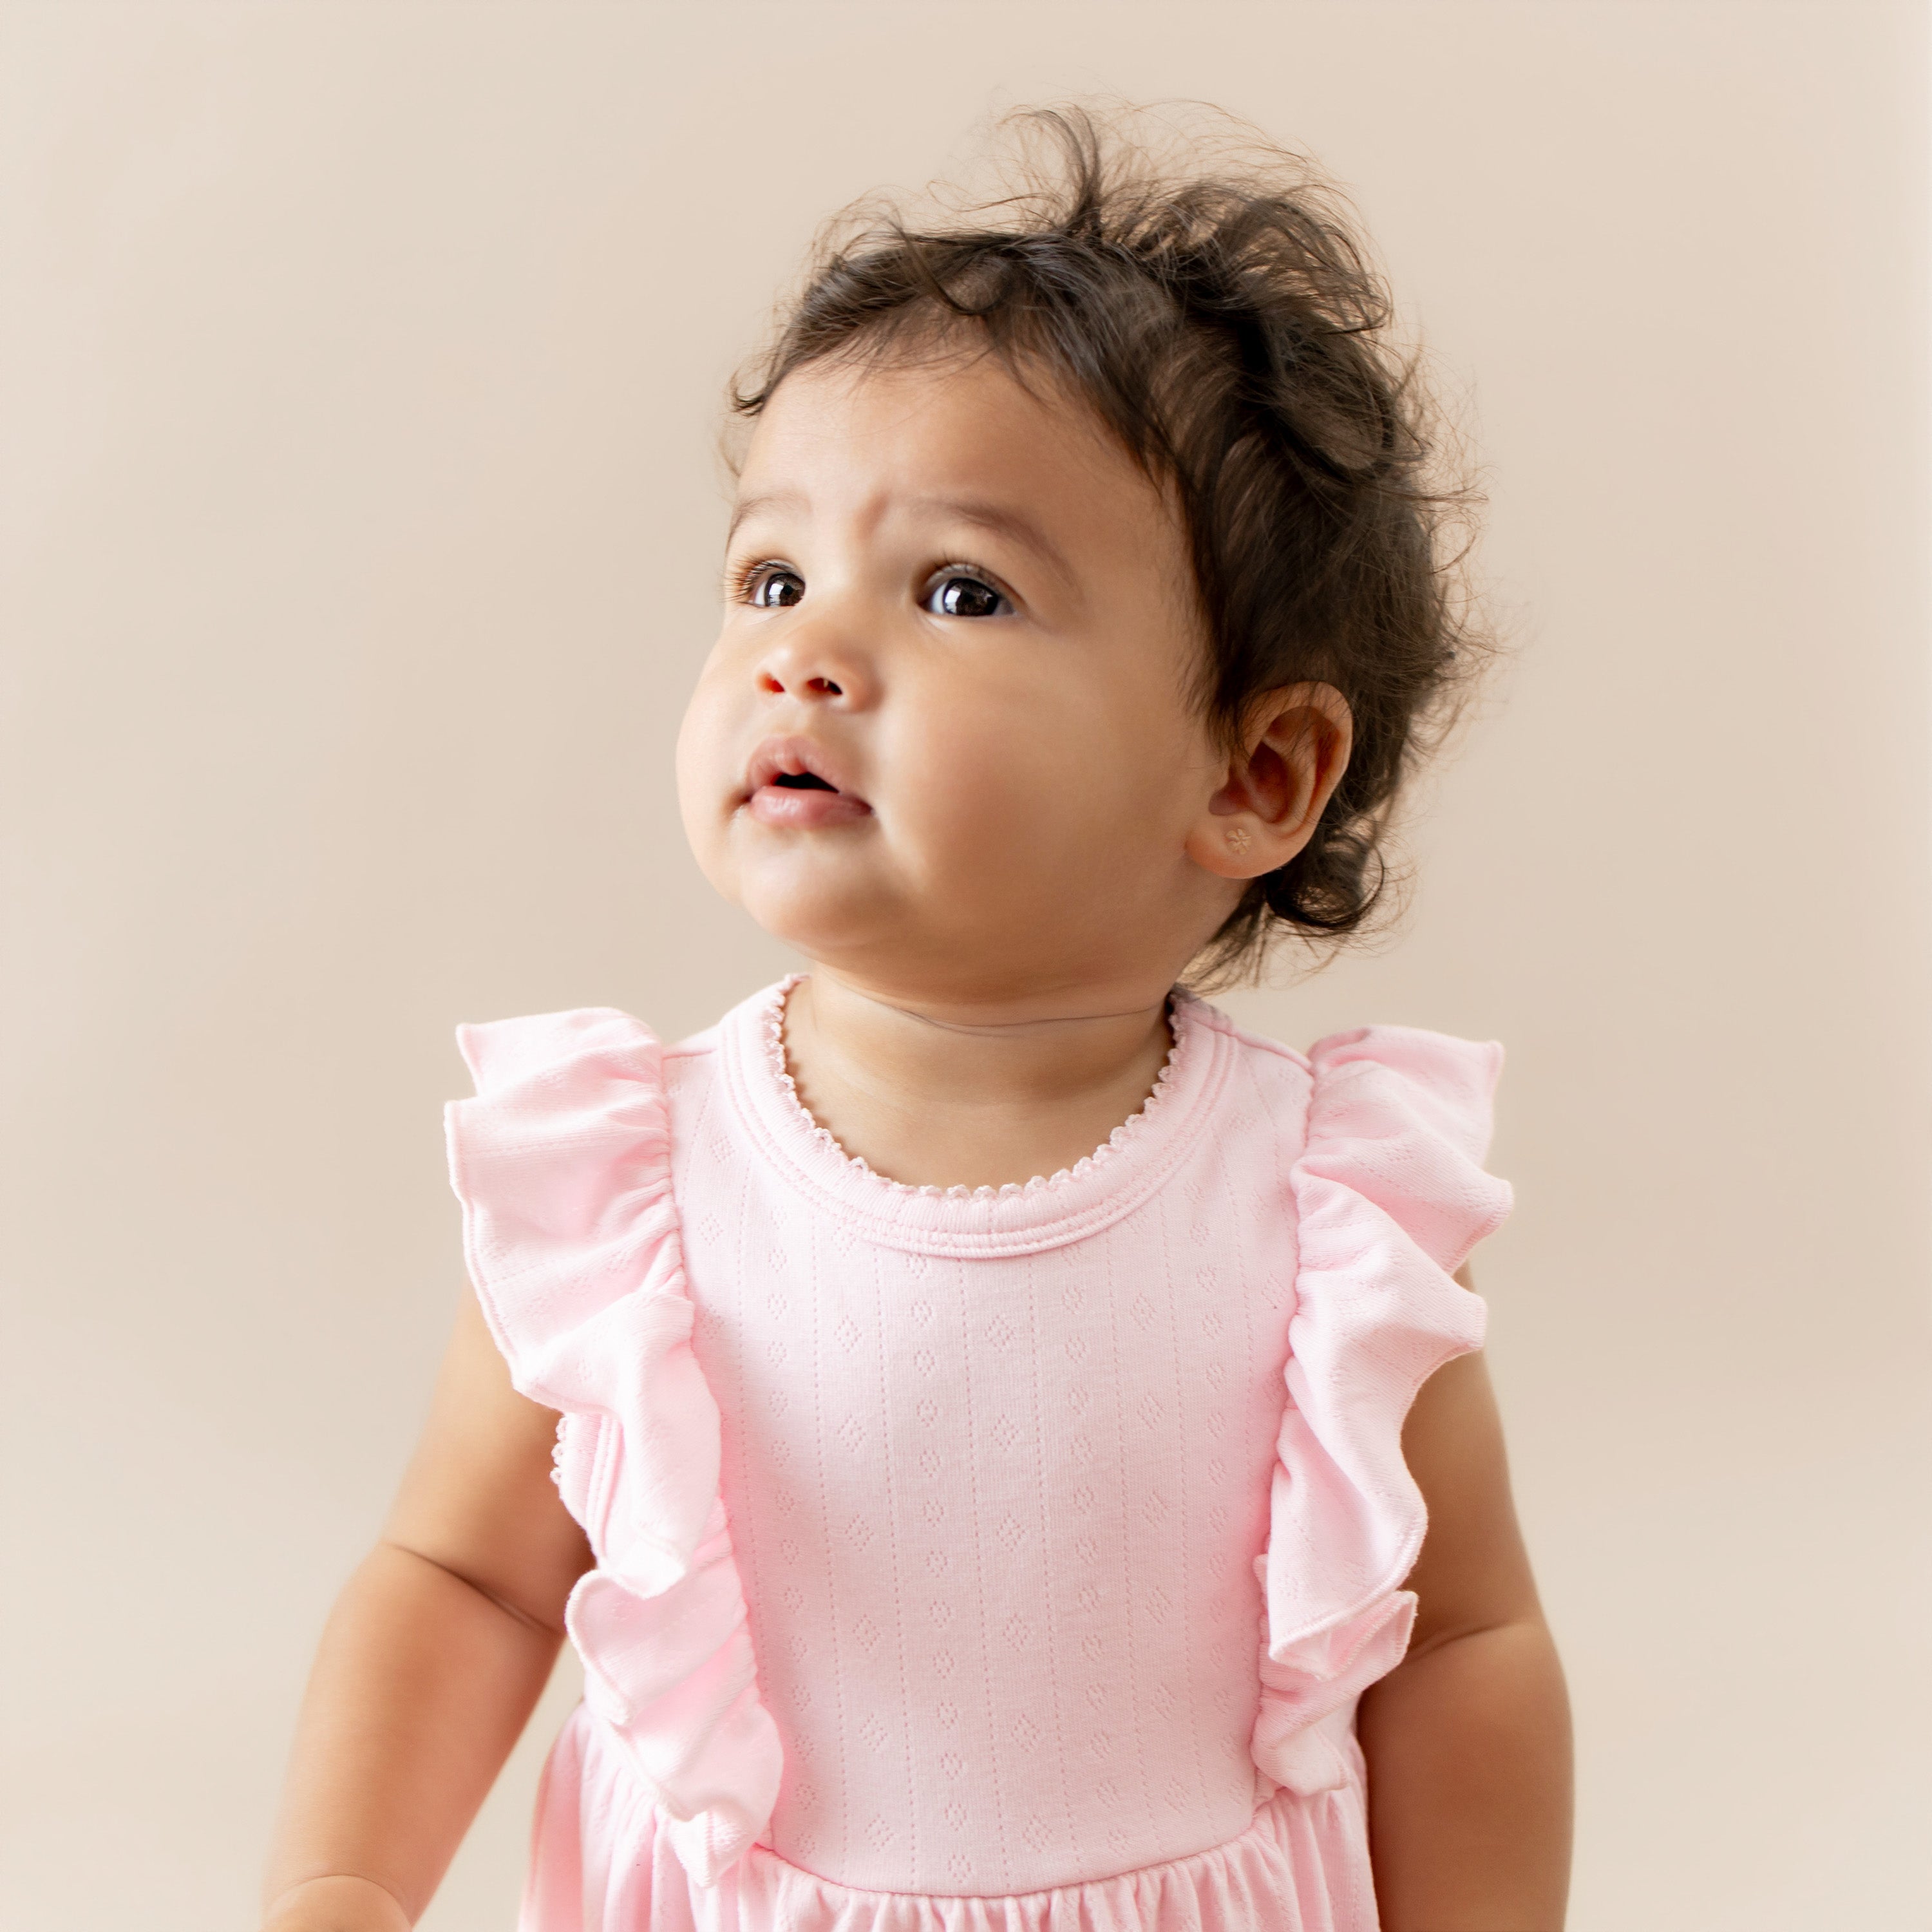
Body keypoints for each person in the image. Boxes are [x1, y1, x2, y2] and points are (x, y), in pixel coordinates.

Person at [261, 107, 1573, 1932]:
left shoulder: (1324, 1219)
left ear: (1259, 770)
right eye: (771, 577)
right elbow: (466, 1581)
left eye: (959, 588)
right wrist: (339, 1885)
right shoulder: (633, 1187)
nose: (802, 650)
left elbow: (1465, 1644)